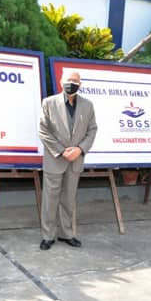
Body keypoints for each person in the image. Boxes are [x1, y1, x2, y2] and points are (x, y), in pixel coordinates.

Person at [38, 70, 97, 250]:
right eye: (68, 80)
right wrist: (62, 151)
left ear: (81, 84)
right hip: (55, 159)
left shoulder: (87, 105)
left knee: (69, 199)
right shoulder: (48, 103)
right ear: (61, 81)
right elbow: (43, 131)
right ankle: (48, 235)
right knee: (50, 199)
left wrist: (79, 149)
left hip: (76, 160)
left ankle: (67, 234)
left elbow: (92, 130)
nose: (72, 83)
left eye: (75, 80)